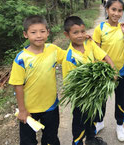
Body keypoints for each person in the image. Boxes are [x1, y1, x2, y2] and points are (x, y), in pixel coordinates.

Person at [9, 15, 65, 145]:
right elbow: (17, 85)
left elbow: (69, 57)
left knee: (51, 138)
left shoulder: (53, 49)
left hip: (51, 105)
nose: (38, 35)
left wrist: (83, 43)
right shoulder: (21, 59)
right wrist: (22, 110)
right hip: (29, 109)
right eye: (33, 32)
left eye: (42, 31)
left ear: (48, 32)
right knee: (28, 141)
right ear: (25, 34)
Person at [62, 16, 115, 145]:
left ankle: (91, 139)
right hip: (82, 97)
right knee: (80, 121)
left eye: (82, 31)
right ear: (67, 35)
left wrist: (112, 70)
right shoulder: (69, 57)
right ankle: (78, 141)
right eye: (75, 32)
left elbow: (104, 55)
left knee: (93, 117)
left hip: (95, 94)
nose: (80, 35)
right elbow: (70, 84)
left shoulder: (89, 43)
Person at [92, 0, 124, 142]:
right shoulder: (100, 28)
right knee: (100, 99)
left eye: (120, 10)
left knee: (120, 99)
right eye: (113, 9)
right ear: (107, 10)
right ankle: (99, 122)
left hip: (121, 72)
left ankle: (120, 125)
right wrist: (107, 69)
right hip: (104, 72)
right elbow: (96, 51)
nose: (116, 13)